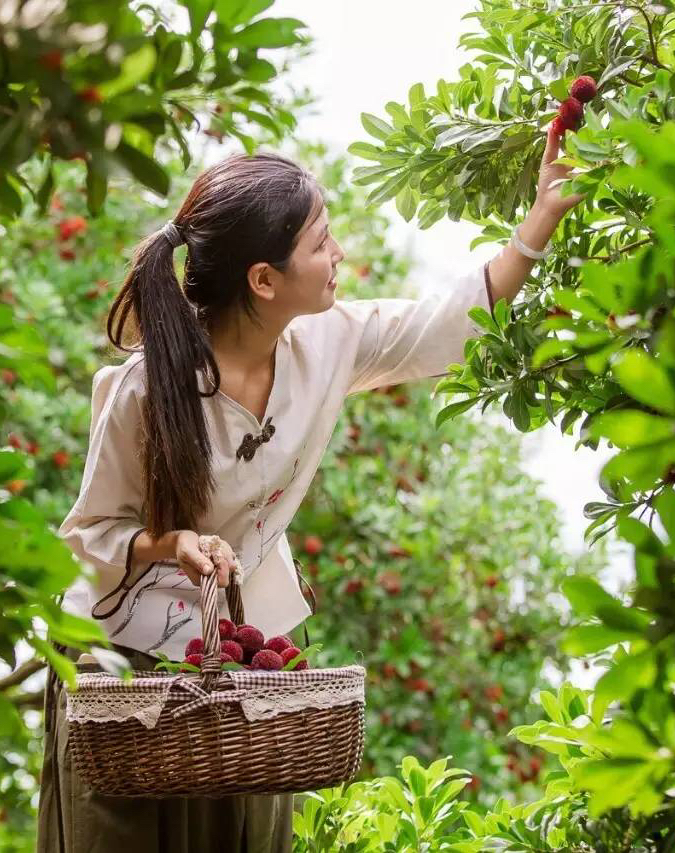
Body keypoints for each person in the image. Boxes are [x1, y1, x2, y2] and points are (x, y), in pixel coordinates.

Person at [37, 130, 582, 852]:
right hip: (125, 676)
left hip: (234, 664)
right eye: (322, 243)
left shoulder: (327, 342)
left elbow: (447, 321)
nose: (339, 257)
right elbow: (88, 534)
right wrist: (172, 543)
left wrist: (542, 215)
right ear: (264, 279)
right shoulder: (149, 387)